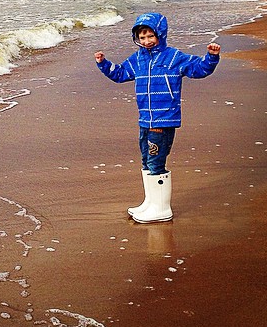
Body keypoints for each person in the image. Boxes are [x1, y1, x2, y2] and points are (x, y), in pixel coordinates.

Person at [94, 13, 221, 223]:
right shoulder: (138, 59)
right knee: (146, 159)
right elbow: (121, 74)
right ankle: (150, 203)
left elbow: (198, 69)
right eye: (142, 38)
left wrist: (211, 57)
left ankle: (162, 209)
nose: (146, 41)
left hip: (164, 119)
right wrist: (103, 63)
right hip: (145, 119)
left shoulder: (173, 57)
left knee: (155, 161)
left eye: (150, 36)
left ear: (160, 34)